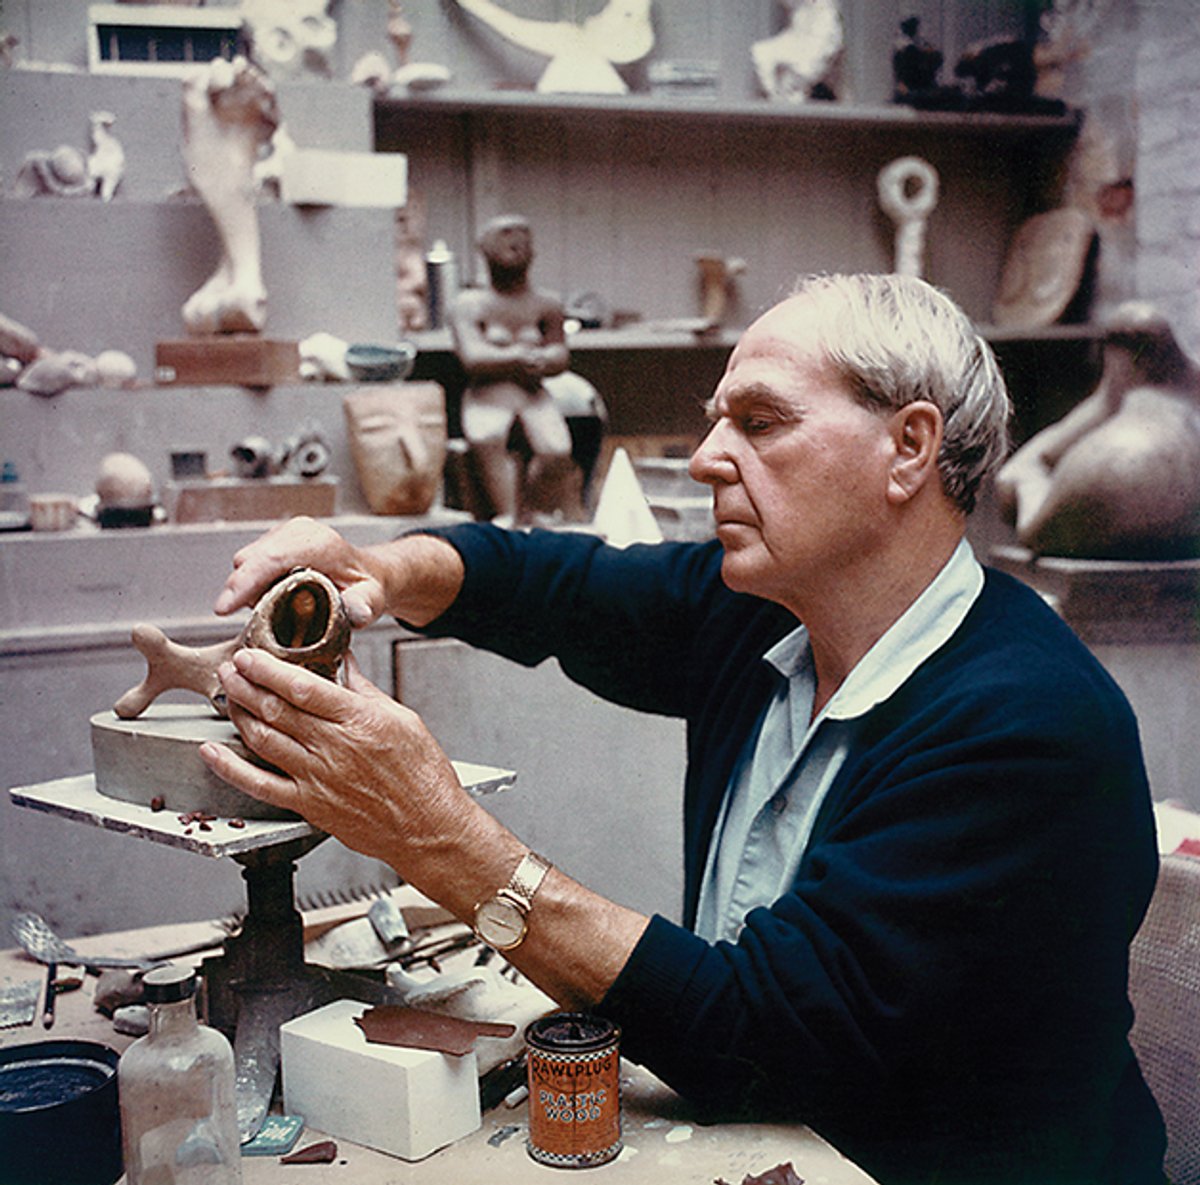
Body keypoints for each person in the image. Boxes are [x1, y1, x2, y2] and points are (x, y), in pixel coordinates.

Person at [200, 273, 1166, 1185]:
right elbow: (553, 586)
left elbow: (760, 1038)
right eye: (718, 421)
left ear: (909, 447)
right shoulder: (766, 611)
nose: (707, 457)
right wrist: (378, 566)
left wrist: (436, 837)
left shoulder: (1027, 729)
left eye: (760, 422)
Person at [449, 213, 580, 522]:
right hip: (487, 395)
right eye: (505, 237)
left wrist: (545, 359)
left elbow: (560, 353)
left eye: (523, 238)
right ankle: (505, 514)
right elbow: (473, 357)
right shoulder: (469, 304)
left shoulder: (547, 303)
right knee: (486, 436)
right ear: (484, 250)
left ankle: (531, 511)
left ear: (533, 252)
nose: (515, 244)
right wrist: (518, 357)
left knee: (556, 450)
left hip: (533, 394)